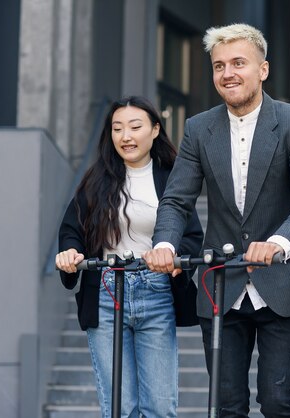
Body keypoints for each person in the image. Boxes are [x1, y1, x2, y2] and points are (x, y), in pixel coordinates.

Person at [142, 23, 290, 417]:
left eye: (238, 63)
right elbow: (177, 200)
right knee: (226, 407)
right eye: (219, 66)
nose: (227, 73)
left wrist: (280, 243)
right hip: (220, 284)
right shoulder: (198, 128)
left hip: (282, 282)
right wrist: (164, 245)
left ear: (262, 69)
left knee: (277, 402)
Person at [55, 96, 203, 418]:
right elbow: (71, 230)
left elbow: (191, 236)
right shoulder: (97, 179)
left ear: (154, 131)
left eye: (135, 127)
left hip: (156, 291)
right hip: (107, 291)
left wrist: (176, 263)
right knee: (119, 408)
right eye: (117, 128)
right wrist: (69, 252)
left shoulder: (172, 179)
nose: (126, 136)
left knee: (161, 408)